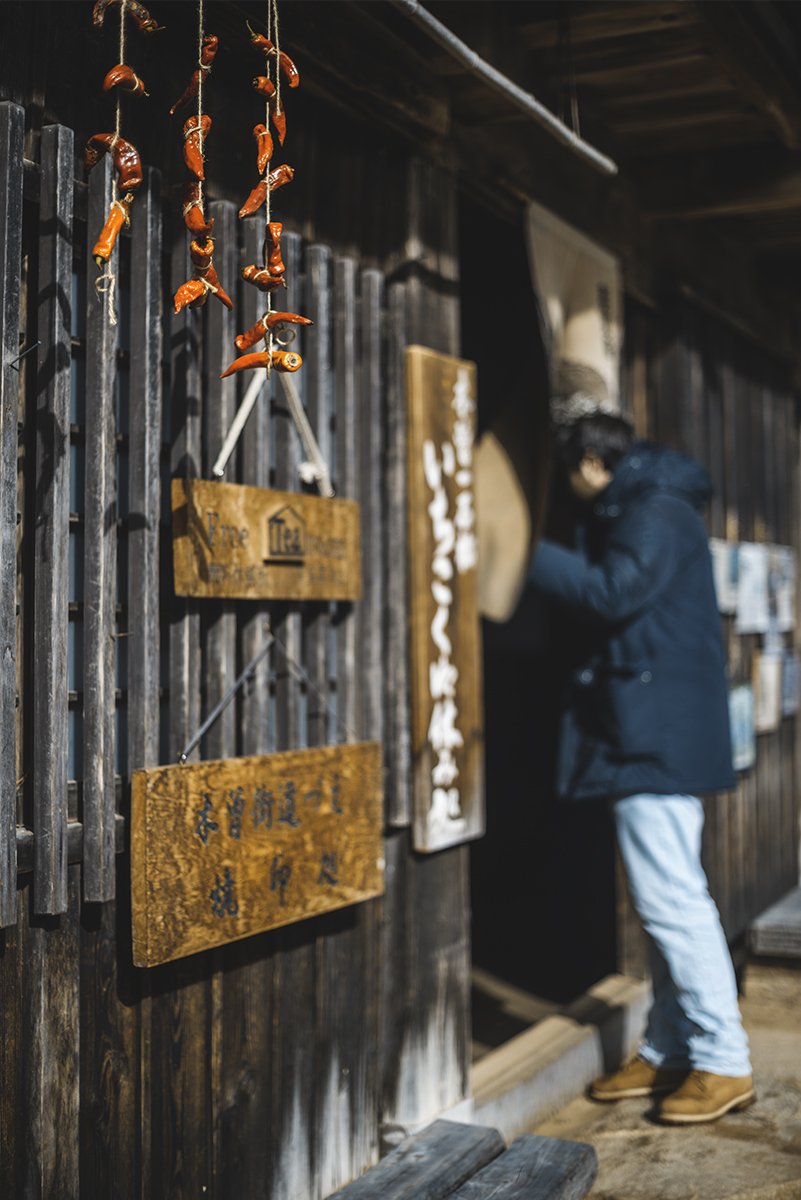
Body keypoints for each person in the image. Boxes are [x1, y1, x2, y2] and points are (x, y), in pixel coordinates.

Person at [527, 410, 754, 1125]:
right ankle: (667, 1048)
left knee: (672, 903)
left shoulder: (654, 510)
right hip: (643, 732)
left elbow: (612, 592)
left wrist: (511, 549)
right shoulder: (650, 503)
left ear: (591, 462)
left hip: (650, 738)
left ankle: (723, 1059)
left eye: (568, 473)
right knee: (665, 908)